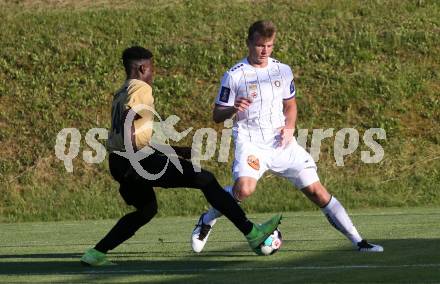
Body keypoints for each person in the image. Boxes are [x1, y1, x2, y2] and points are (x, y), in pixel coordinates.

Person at [191, 21, 383, 253]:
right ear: (249, 43)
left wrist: (290, 127)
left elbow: (290, 106)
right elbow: (216, 115)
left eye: (269, 46)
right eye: (260, 45)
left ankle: (359, 242)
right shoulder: (234, 75)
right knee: (244, 189)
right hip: (250, 141)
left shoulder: (282, 70)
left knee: (317, 192)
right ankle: (208, 218)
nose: (264, 51)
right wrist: (233, 109)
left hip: (282, 143)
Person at [80, 46, 282, 266]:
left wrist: (174, 151)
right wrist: (135, 159)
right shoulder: (141, 88)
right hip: (135, 160)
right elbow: (130, 121)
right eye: (151, 69)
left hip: (117, 162)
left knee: (147, 210)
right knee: (206, 180)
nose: (153, 74)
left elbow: (135, 134)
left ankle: (96, 253)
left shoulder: (121, 92)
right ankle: (253, 233)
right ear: (142, 68)